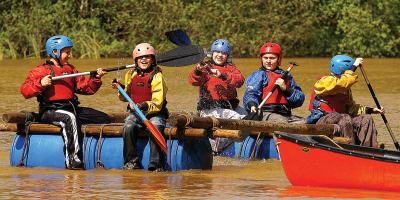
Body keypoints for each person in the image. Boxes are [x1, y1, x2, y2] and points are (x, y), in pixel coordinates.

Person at [20, 35, 111, 169]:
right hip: (51, 111)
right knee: (69, 118)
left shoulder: (70, 69)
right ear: (55, 52)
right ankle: (72, 160)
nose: (70, 55)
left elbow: (86, 88)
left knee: (103, 118)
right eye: (67, 52)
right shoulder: (40, 70)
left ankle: (95, 153)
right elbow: (25, 91)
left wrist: (95, 78)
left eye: (70, 51)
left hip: (71, 108)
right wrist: (41, 83)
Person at [306, 55, 384, 148]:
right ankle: (349, 149)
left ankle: (369, 150)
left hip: (343, 121)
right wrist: (354, 66)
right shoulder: (324, 82)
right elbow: (341, 82)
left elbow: (351, 109)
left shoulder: (345, 88)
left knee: (366, 119)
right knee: (344, 118)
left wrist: (372, 110)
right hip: (322, 121)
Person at [112, 43, 167, 171]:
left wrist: (143, 105)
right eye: (140, 57)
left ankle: (155, 165)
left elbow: (158, 103)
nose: (144, 59)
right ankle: (131, 162)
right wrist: (120, 88)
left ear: (152, 59)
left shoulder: (157, 76)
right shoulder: (131, 74)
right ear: (136, 60)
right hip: (136, 114)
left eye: (147, 57)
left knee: (156, 127)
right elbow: (124, 97)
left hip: (155, 114)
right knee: (128, 126)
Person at [188, 39, 245, 154]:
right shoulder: (205, 68)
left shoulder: (231, 68)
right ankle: (216, 149)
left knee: (248, 117)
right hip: (210, 109)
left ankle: (236, 144)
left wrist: (222, 75)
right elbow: (193, 81)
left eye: (223, 53)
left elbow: (239, 81)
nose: (220, 55)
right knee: (237, 118)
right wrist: (198, 71)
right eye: (217, 52)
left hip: (229, 108)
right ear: (212, 53)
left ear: (227, 56)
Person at [243, 42, 304, 123]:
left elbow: (299, 100)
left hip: (285, 114)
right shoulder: (259, 75)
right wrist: (252, 105)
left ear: (278, 59)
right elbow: (250, 94)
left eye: (272, 58)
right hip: (264, 113)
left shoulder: (286, 76)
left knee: (306, 122)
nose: (268, 61)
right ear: (261, 59)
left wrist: (286, 89)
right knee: (281, 121)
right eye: (265, 58)